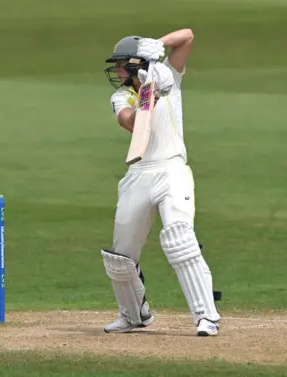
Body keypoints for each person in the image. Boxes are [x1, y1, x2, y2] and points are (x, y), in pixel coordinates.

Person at [100, 29, 221, 337]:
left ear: (136, 63)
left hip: (172, 170)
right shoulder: (120, 96)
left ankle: (207, 317)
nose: (116, 71)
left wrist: (160, 47)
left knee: (179, 238)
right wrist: (147, 94)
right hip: (139, 174)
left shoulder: (168, 76)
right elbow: (131, 122)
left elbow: (189, 36)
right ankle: (133, 316)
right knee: (120, 257)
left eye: (121, 65)